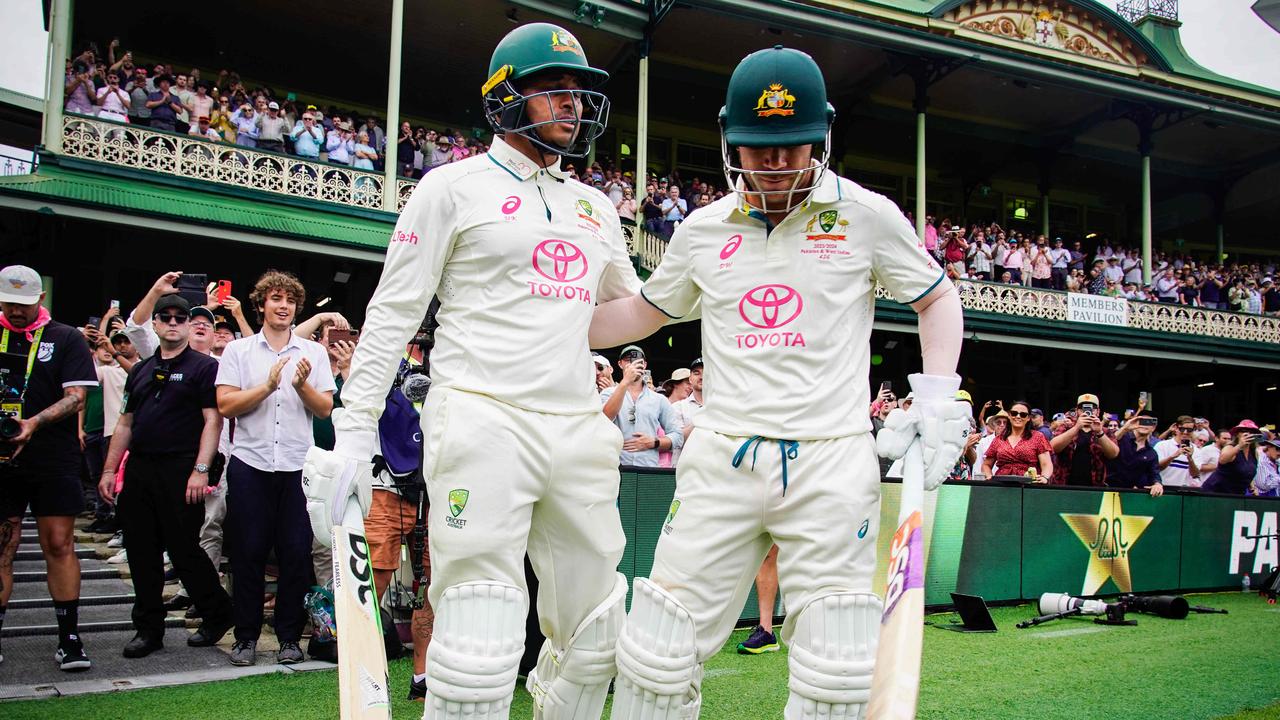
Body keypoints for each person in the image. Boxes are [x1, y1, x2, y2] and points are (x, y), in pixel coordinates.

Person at [587, 46, 969, 718]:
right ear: (730, 140)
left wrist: (938, 396)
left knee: (836, 673)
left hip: (830, 460)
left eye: (792, 148)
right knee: (656, 653)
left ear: (820, 137)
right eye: (759, 149)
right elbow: (644, 311)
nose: (776, 163)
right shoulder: (704, 230)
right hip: (723, 458)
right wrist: (548, 322)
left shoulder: (866, 215)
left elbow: (936, 298)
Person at [301, 23, 639, 719]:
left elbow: (618, 315)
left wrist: (695, 281)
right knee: (479, 633)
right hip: (483, 417)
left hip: (576, 425)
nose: (573, 104)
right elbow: (392, 314)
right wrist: (353, 430)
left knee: (596, 630)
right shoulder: (451, 187)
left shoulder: (596, 206)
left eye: (578, 91)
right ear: (505, 98)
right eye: (554, 89)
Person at [96, 295, 234, 658]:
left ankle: (218, 612)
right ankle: (148, 628)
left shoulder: (204, 367)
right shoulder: (141, 370)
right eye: (165, 317)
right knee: (140, 551)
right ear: (155, 324)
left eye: (179, 318)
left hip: (182, 468)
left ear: (189, 326)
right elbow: (125, 422)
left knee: (185, 548)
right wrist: (110, 469)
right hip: (141, 468)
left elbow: (212, 421)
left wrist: (200, 470)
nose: (172, 323)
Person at [215, 271, 335, 666]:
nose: (282, 306)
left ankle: (288, 638)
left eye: (289, 301)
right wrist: (267, 386)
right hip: (250, 463)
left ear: (296, 308)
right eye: (275, 299)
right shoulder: (239, 351)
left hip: (297, 466)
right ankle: (245, 637)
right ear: (261, 304)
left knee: (295, 553)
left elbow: (324, 409)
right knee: (247, 551)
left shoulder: (313, 353)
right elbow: (226, 406)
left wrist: (300, 386)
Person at [0, 265, 98, 671]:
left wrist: (33, 423)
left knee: (59, 543)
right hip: (2, 458)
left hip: (51, 454)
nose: (17, 311)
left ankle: (69, 637)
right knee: (3, 545)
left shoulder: (65, 337)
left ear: (40, 299)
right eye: (9, 302)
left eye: (24, 304)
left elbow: (77, 397)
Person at [600, 346, 684, 467]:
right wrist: (625, 382)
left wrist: (654, 442)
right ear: (620, 364)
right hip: (615, 467)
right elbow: (604, 419)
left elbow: (677, 436)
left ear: (644, 365)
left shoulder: (659, 399)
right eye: (628, 360)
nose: (633, 364)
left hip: (648, 468)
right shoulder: (608, 393)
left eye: (637, 360)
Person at [1049, 394, 1119, 486]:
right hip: (1065, 485)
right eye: (1083, 408)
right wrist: (1076, 428)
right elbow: (1053, 447)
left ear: (1098, 412)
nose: (1087, 412)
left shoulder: (1105, 431)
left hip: (1095, 486)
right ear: (1077, 411)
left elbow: (1113, 454)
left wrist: (1099, 433)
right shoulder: (1066, 427)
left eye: (1092, 409)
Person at [982, 401, 1052, 481]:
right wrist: (989, 476)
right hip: (1001, 485)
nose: (1018, 416)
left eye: (1023, 414)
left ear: (1028, 418)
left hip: (1028, 484)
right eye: (1014, 413)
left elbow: (1046, 464)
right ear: (1009, 415)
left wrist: (1044, 477)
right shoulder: (999, 439)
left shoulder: (1038, 437)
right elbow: (986, 465)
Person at [1108, 411, 1165, 496]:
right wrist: (1125, 428)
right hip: (1106, 489)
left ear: (1153, 428)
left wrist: (1158, 484)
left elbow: (1154, 474)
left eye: (1148, 422)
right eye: (1142, 421)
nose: (1145, 425)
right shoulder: (1122, 437)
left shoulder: (1151, 453)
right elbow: (1109, 443)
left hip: (1128, 494)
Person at [1201, 420, 1262, 495]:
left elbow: (1247, 472)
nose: (1248, 434)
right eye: (1243, 431)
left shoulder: (1254, 453)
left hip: (1236, 495)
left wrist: (1252, 486)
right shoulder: (1230, 447)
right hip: (1216, 492)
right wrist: (1239, 446)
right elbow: (1222, 460)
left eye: (1251, 431)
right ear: (1237, 434)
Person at [1153, 415, 1203, 488]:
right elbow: (1156, 467)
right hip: (1162, 487)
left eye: (1189, 430)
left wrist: (1190, 459)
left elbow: (1195, 474)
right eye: (1182, 429)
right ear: (1176, 428)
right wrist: (1173, 456)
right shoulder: (1162, 445)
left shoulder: (1197, 450)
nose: (1185, 432)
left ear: (1193, 430)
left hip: (1184, 490)